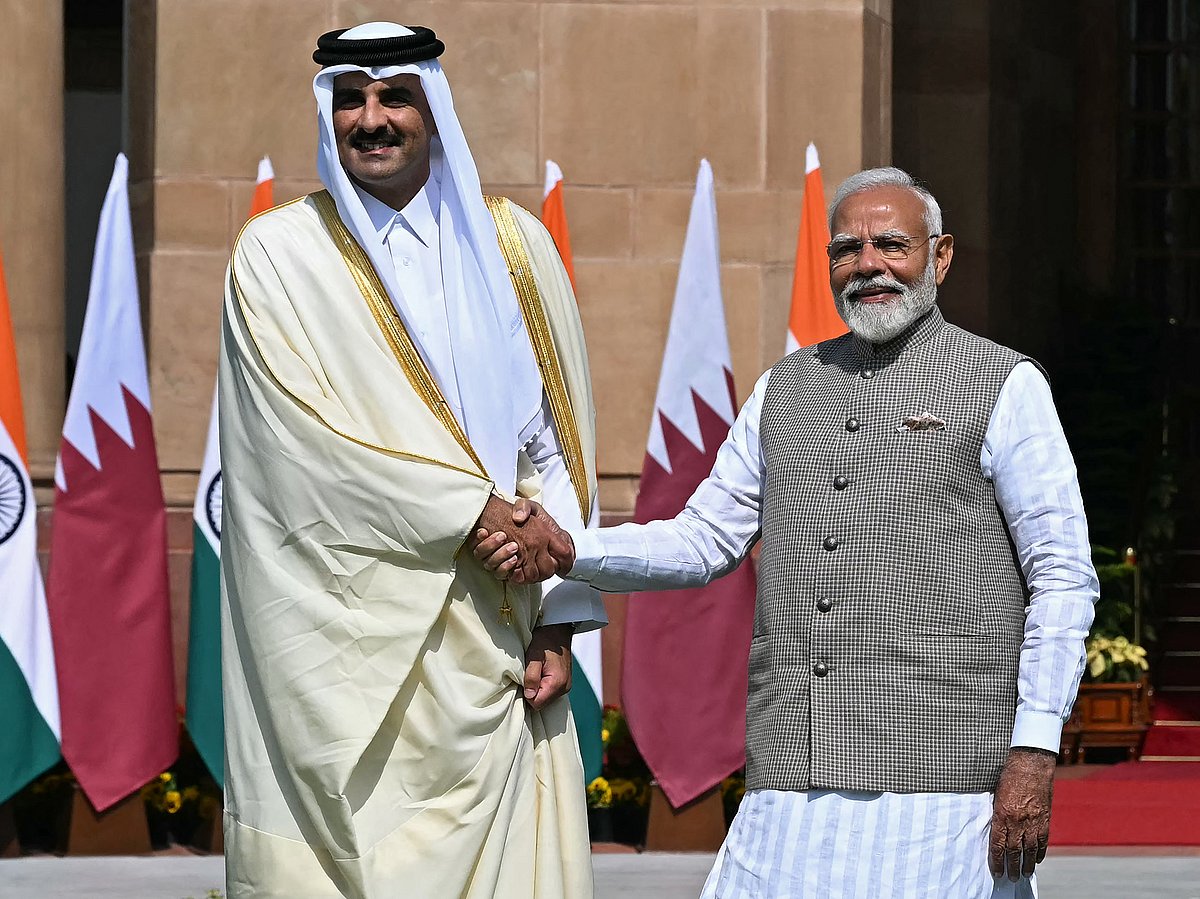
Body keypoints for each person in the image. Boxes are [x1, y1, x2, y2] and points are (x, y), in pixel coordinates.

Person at [473, 167, 1098, 898]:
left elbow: (1062, 575)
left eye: (891, 244)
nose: (868, 265)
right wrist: (576, 548)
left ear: (941, 254)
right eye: (847, 249)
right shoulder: (784, 387)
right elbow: (704, 537)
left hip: (945, 793)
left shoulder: (1004, 383)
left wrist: (1034, 748)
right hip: (787, 791)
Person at [218, 21, 604, 899]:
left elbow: (557, 441)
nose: (371, 118)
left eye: (395, 95)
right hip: (341, 635)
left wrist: (563, 613)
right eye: (350, 97)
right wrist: (467, 511)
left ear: (435, 109)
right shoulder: (278, 256)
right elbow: (293, 446)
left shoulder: (515, 248)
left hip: (500, 627)